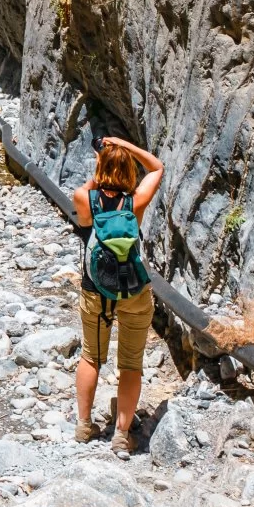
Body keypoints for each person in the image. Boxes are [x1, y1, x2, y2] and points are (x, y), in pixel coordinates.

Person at [72, 134, 163, 453]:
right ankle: (122, 436)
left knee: (91, 356)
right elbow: (156, 167)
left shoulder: (86, 199)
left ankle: (84, 427)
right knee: (131, 364)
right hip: (134, 291)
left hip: (96, 290)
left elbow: (87, 197)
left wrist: (102, 164)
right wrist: (125, 146)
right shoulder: (135, 202)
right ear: (128, 172)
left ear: (100, 169)